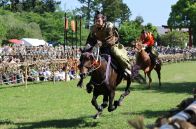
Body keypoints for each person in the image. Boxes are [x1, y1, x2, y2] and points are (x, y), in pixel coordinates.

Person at [83, 11, 131, 76]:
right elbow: (90, 39)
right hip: (101, 46)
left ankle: (127, 68)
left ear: (103, 20)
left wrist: (101, 43)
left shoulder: (109, 26)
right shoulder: (94, 28)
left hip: (112, 44)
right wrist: (87, 46)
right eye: (96, 20)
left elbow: (111, 38)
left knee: (117, 54)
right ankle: (90, 70)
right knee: (91, 55)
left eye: (99, 20)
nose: (97, 22)